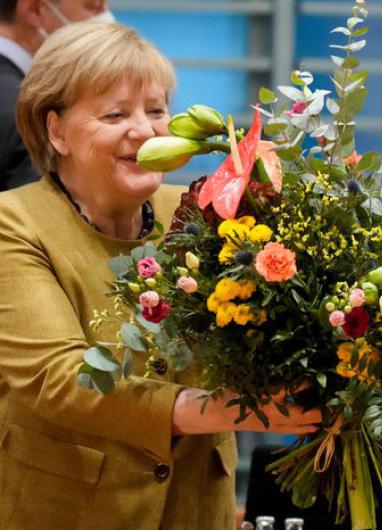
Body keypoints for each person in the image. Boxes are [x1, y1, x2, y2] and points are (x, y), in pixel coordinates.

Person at [0, 22, 320, 530]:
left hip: (199, 509)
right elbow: (57, 380)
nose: (146, 130)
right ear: (55, 129)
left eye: (155, 110)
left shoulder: (206, 210)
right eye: (115, 114)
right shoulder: (14, 224)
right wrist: (227, 410)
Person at [0, 0, 113, 191]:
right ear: (36, 10)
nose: (107, 17)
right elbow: (38, 215)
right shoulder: (28, 111)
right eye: (92, 6)